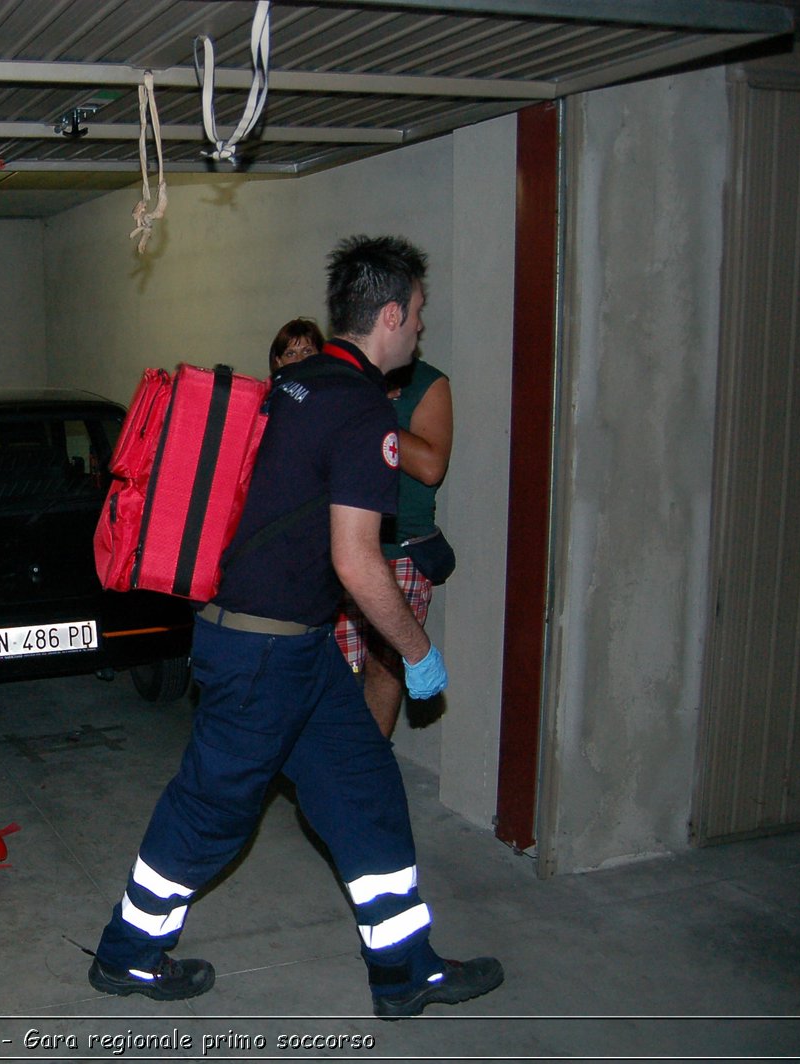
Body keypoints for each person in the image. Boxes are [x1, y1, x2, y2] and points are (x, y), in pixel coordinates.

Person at [87, 235, 501, 1020]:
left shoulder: (297, 382)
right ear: (387, 314)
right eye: (417, 315)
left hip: (296, 648)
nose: (419, 330)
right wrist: (417, 651)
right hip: (261, 652)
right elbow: (357, 558)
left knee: (364, 788)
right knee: (212, 809)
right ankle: (128, 952)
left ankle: (403, 967)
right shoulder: (360, 407)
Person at [334, 353, 454, 736]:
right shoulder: (346, 375)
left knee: (385, 666)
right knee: (329, 666)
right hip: (342, 544)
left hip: (401, 548)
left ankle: (368, 767)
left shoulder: (429, 383)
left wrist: (374, 415)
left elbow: (431, 467)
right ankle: (333, 770)